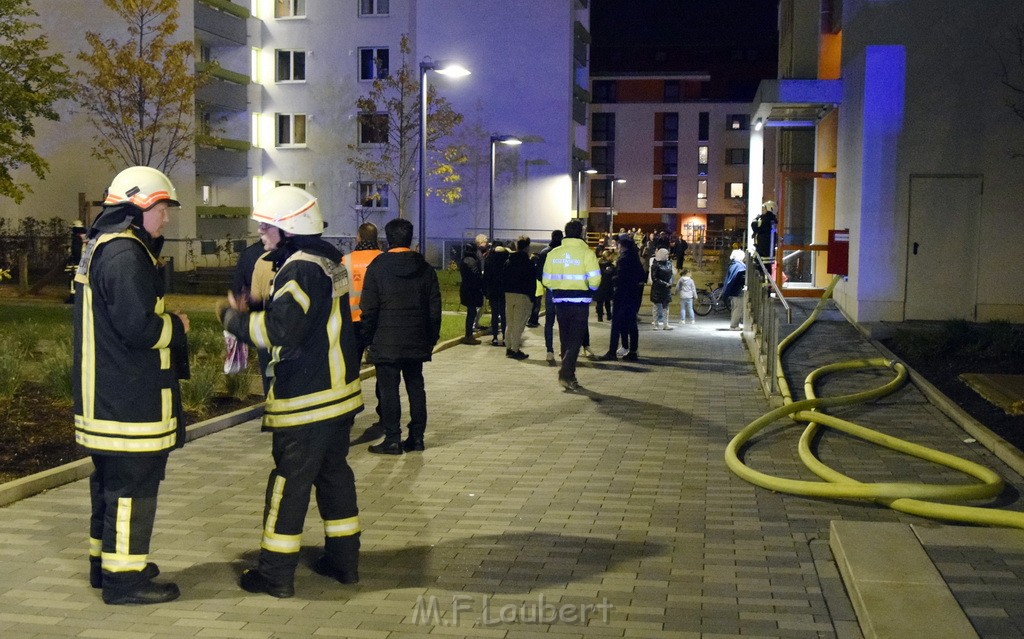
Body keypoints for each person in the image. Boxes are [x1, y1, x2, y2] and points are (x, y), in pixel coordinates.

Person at [219, 186, 364, 597]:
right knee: (334, 476)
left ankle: (275, 574)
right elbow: (310, 318)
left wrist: (232, 319)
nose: (262, 233)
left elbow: (280, 331)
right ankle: (343, 563)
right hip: (338, 394)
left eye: (268, 226)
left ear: (292, 228)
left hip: (306, 400)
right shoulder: (327, 260)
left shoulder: (300, 268)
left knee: (289, 484)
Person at [72, 166, 188, 605]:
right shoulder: (125, 254)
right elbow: (138, 328)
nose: (167, 218)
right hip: (128, 401)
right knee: (132, 490)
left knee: (109, 486)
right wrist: (175, 328)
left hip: (107, 395)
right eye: (163, 208)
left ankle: (108, 564)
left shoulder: (103, 247)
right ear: (140, 207)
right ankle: (125, 580)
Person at [361, 218, 442, 454]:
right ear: (410, 238)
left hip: (386, 342)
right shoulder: (425, 268)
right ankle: (417, 438)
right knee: (416, 387)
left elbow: (369, 308)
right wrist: (431, 338)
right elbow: (434, 308)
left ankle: (393, 438)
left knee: (389, 391)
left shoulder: (377, 267)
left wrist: (368, 339)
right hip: (417, 339)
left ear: (387, 239)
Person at [541, 220, 600, 391]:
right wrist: (590, 290)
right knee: (576, 339)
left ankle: (569, 376)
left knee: (565, 337)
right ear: (581, 233)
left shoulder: (554, 253)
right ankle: (566, 373)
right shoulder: (587, 254)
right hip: (580, 302)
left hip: (560, 301)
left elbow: (546, 280)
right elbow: (595, 279)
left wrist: (558, 289)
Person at [231, 239, 274, 392]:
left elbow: (239, 295)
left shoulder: (250, 255)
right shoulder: (298, 255)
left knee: (269, 380)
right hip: (290, 329)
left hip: (261, 326)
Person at [341, 222, 383, 363]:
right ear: (376, 239)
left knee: (351, 366)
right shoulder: (384, 260)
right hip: (379, 320)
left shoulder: (345, 261)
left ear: (358, 238)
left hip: (352, 320)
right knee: (382, 368)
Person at [600, 235, 645, 362]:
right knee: (631, 324)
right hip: (633, 296)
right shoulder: (635, 259)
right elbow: (642, 277)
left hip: (622, 295)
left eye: (618, 245)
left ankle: (612, 352)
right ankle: (633, 351)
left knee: (616, 325)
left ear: (623, 246)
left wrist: (611, 274)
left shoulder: (623, 260)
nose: (617, 248)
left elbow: (619, 278)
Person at [502, 236, 536, 360]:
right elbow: (531, 281)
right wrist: (532, 298)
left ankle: (508, 347)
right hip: (523, 295)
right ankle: (515, 349)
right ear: (527, 247)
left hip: (509, 294)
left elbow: (503, 278)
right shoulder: (528, 263)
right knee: (519, 324)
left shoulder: (509, 261)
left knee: (509, 323)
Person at [536, 229, 563, 363]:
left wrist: (546, 284)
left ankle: (549, 351)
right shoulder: (564, 253)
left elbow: (539, 273)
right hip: (564, 290)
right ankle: (564, 350)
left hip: (551, 290)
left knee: (549, 323)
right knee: (564, 322)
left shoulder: (545, 252)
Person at [483, 240, 510, 346]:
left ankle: (494, 337)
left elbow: (486, 277)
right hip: (504, 291)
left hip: (493, 290)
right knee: (503, 315)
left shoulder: (489, 258)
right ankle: (504, 337)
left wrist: (486, 290)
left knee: (494, 314)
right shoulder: (507, 258)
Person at [458, 243, 484, 344]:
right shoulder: (471, 261)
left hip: (465, 289)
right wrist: (481, 284)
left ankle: (468, 335)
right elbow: (476, 275)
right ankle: (469, 336)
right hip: (472, 290)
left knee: (471, 312)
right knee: (472, 313)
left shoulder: (464, 259)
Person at [649, 247, 674, 330]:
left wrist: (670, 282)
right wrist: (664, 283)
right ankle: (656, 324)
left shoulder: (669, 263)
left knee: (666, 307)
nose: (667, 256)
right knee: (656, 306)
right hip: (657, 289)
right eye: (666, 254)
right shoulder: (655, 265)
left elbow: (671, 274)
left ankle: (665, 324)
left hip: (666, 288)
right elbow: (654, 278)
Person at [723, 248, 748, 330]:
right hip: (738, 291)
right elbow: (741, 278)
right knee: (738, 308)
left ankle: (733, 324)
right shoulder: (739, 266)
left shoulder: (733, 264)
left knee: (734, 307)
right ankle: (734, 326)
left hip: (732, 290)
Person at [593, 248, 615, 322]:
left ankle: (600, 317)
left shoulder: (597, 265)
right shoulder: (611, 265)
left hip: (599, 285)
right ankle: (609, 315)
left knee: (599, 302)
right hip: (607, 285)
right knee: (607, 302)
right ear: (608, 257)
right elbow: (612, 273)